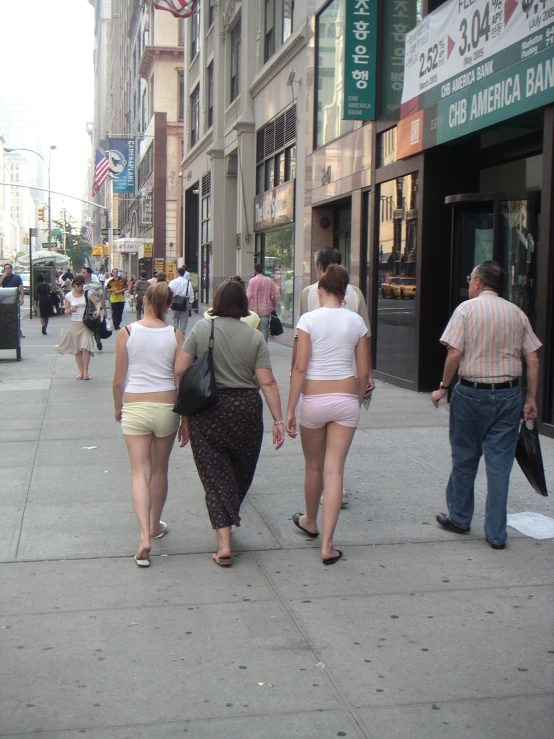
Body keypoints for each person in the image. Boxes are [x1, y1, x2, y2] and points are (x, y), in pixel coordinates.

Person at [431, 261, 542, 550]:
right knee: (500, 465)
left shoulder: (466, 310)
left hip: (471, 394)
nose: (470, 284)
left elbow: (455, 353)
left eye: (471, 279)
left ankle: (460, 517)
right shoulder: (517, 313)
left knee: (465, 458)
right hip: (508, 396)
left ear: (479, 283)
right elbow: (533, 359)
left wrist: (443, 387)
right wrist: (530, 400)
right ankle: (496, 534)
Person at [175, 280, 285, 567]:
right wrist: (278, 419)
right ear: (243, 305)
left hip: (208, 409)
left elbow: (180, 369)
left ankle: (224, 543)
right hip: (246, 408)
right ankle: (229, 516)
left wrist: (184, 414)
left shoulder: (202, 328)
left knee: (213, 475)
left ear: (218, 301)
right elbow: (267, 381)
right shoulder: (254, 337)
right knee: (241, 469)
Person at [286, 265, 370, 565]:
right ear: (345, 291)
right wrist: (356, 400)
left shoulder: (308, 320)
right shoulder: (357, 322)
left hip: (314, 399)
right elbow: (363, 372)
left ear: (321, 290)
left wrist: (290, 409)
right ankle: (328, 545)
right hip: (346, 398)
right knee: (335, 470)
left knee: (313, 466)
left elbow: (299, 367)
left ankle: (310, 519)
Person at [292, 247, 375, 509]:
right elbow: (365, 337)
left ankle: (316, 508)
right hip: (348, 379)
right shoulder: (356, 294)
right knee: (336, 455)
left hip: (314, 382)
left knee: (314, 457)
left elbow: (299, 338)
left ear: (319, 267)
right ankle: (336, 489)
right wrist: (366, 380)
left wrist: (295, 378)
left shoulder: (309, 294)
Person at [113, 282, 184, 568]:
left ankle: (144, 537)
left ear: (144, 300)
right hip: (167, 405)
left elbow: (119, 379)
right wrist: (185, 418)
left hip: (136, 404)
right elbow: (180, 379)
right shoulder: (176, 334)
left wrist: (118, 406)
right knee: (159, 470)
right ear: (168, 305)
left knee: (139, 473)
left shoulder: (127, 333)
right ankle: (155, 524)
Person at [56, 275, 100, 380]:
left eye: (82, 285)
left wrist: (98, 311)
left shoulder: (88, 293)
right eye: (78, 286)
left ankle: (86, 371)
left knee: (85, 347)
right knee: (77, 350)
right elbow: (66, 311)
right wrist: (70, 309)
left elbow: (96, 305)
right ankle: (80, 371)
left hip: (86, 323)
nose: (80, 288)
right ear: (74, 285)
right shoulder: (68, 296)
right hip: (74, 324)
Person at [246, 263, 279, 342]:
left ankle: (255, 346)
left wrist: (246, 306)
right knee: (264, 330)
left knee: (254, 329)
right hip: (266, 309)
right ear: (263, 270)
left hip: (254, 309)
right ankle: (263, 348)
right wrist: (274, 306)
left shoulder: (252, 281)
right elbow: (274, 295)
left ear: (255, 271)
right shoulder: (269, 280)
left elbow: (249, 295)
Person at [82, 266, 107, 350]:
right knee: (85, 326)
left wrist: (105, 310)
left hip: (95, 308)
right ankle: (86, 344)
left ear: (89, 274)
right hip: (83, 308)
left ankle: (98, 340)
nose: (82, 274)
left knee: (96, 326)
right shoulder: (80, 284)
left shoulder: (97, 284)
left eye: (84, 272)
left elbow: (101, 297)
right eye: (82, 272)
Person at [1, 263, 26, 337]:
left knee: (16, 316)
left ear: (11, 269)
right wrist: (3, 277)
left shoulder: (16, 277)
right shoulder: (3, 277)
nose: (7, 270)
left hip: (15, 299)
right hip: (5, 300)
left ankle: (18, 331)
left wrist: (22, 298)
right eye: (6, 268)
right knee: (6, 316)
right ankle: (7, 331)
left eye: (8, 268)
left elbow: (21, 287)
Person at [168, 266, 194, 334]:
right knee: (184, 319)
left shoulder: (173, 282)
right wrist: (191, 302)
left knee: (175, 318)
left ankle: (175, 331)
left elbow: (170, 291)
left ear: (177, 273)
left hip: (175, 301)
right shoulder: (188, 283)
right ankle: (182, 333)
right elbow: (190, 292)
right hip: (185, 302)